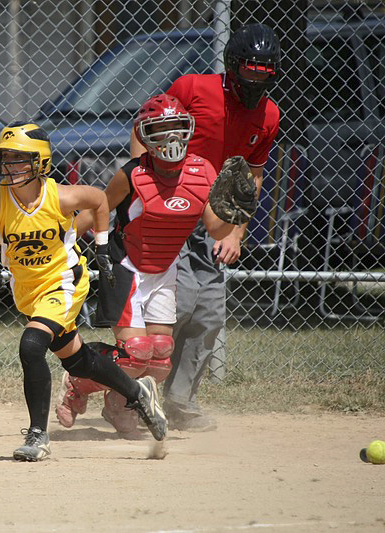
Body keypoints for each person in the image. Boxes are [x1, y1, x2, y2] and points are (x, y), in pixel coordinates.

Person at [0, 121, 167, 462]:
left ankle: (37, 435)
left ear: (40, 163)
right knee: (78, 361)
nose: (8, 166)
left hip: (64, 282)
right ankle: (137, 391)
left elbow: (100, 200)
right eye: (5, 159)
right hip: (28, 291)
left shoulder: (60, 196)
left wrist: (102, 249)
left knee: (31, 346)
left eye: (18, 159)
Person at [55, 94, 238, 437]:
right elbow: (99, 208)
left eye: (177, 128)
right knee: (136, 353)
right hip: (127, 266)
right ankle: (77, 383)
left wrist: (235, 210)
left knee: (159, 357)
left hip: (164, 270)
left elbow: (216, 228)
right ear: (145, 135)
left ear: (188, 130)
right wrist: (62, 246)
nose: (170, 136)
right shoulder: (132, 174)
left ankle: (117, 405)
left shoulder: (203, 171)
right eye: (160, 129)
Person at [134, 23, 281, 431]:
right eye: (249, 71)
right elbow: (142, 129)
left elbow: (251, 178)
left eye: (264, 73)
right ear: (232, 66)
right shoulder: (193, 87)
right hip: (169, 207)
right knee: (177, 306)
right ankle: (132, 395)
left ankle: (181, 402)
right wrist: (140, 184)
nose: (255, 80)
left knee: (210, 313)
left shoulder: (268, 114)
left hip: (215, 217)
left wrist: (237, 231)